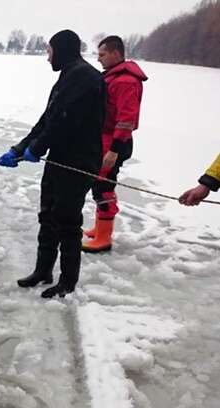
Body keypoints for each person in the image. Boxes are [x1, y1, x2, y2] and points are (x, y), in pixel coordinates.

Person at [0, 29, 105, 299]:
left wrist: (36, 148)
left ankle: (67, 282)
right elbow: (48, 119)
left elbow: (63, 121)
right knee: (47, 216)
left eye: (49, 51)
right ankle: (43, 271)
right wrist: (20, 148)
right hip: (59, 159)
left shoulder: (84, 77)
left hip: (78, 163)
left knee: (67, 222)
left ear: (62, 49)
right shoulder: (68, 76)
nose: (47, 58)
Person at [82, 35, 148, 253]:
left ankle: (104, 238)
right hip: (104, 139)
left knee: (103, 188)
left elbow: (126, 119)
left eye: (102, 55)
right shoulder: (114, 77)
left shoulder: (125, 81)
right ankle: (100, 228)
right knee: (99, 184)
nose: (98, 59)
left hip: (114, 142)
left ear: (115, 54)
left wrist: (114, 150)